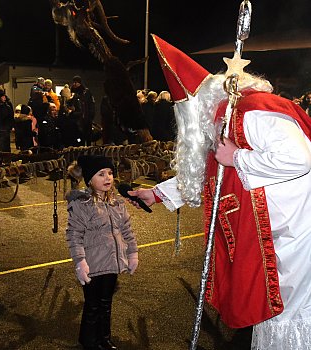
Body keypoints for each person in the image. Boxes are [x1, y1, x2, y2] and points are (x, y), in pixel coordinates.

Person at [127, 34, 311, 350]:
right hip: (272, 234)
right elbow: (213, 172)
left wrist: (237, 157)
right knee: (273, 311)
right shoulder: (225, 122)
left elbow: (299, 159)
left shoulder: (254, 113)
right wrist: (157, 194)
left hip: (295, 234)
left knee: (290, 313)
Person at [65, 155, 138, 350]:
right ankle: (89, 341)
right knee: (92, 305)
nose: (108, 178)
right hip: (93, 263)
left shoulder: (117, 203)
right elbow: (74, 235)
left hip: (112, 264)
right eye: (101, 174)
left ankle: (104, 338)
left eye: (110, 173)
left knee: (106, 304)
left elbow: (127, 230)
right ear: (89, 179)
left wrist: (132, 253)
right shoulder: (82, 205)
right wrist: (80, 261)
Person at [67, 75, 95, 146]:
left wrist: (91, 116)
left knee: (88, 136)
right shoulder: (72, 93)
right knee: (79, 137)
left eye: (76, 82)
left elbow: (91, 104)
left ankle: (88, 150)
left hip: (86, 118)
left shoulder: (86, 92)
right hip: (77, 118)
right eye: (74, 82)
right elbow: (69, 104)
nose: (75, 84)